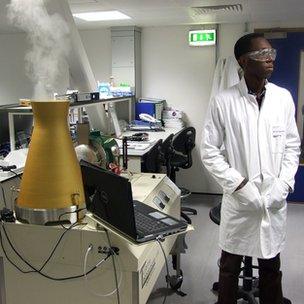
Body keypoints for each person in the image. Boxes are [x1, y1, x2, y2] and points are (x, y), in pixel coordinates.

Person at [201, 33, 300, 304]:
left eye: (272, 54)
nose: (270, 59)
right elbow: (209, 151)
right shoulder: (223, 101)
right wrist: (239, 185)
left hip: (273, 199)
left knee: (271, 265)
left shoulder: (283, 98)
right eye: (261, 55)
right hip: (240, 200)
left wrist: (283, 184)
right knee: (229, 267)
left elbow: (292, 146)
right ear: (244, 61)